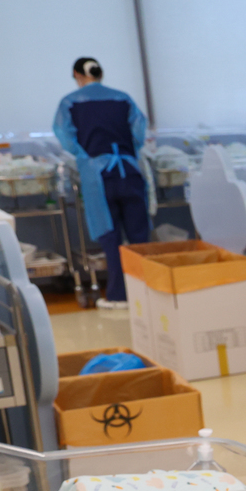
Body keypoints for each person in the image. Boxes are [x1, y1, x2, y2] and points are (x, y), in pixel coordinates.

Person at [52, 57, 148, 310]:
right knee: (140, 236)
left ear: (76, 75)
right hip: (129, 170)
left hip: (99, 175)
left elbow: (67, 138)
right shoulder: (123, 98)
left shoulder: (70, 102)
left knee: (110, 235)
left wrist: (89, 157)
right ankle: (146, 292)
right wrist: (127, 153)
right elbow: (138, 132)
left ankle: (118, 296)